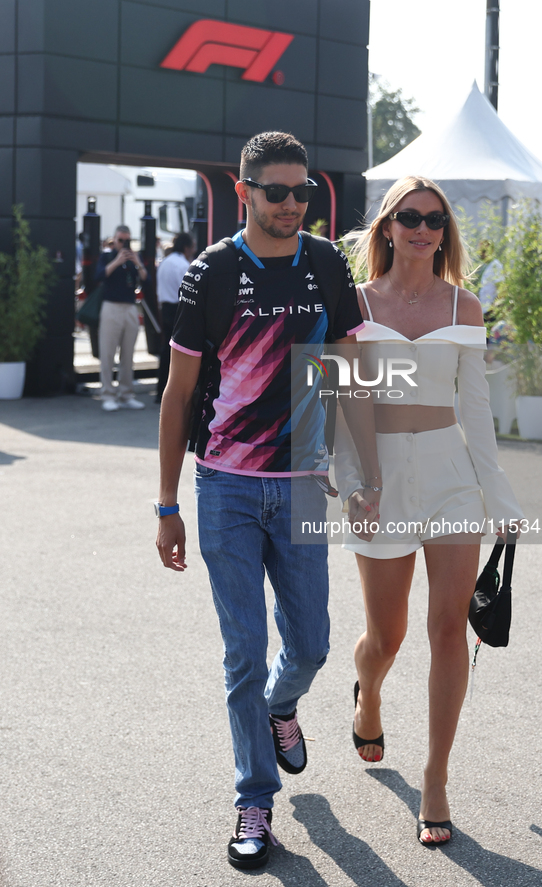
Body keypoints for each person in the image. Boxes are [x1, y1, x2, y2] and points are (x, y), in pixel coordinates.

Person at [156, 132, 379, 870]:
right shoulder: (213, 271)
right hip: (223, 484)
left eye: (302, 191)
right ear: (245, 191)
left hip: (303, 485)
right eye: (276, 191)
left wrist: (365, 474)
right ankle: (254, 799)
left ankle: (283, 707)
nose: (291, 204)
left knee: (311, 644)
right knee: (243, 654)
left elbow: (349, 378)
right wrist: (166, 503)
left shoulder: (325, 264)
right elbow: (179, 391)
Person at [334, 175, 524, 847]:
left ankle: (435, 776)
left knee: (448, 629)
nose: (421, 227)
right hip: (380, 475)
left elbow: (474, 409)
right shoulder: (353, 300)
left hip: (449, 477)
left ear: (444, 231)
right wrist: (355, 480)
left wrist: (499, 497)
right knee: (384, 639)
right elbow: (343, 399)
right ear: (386, 226)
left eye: (434, 219)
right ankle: (370, 695)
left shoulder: (463, 308)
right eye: (409, 216)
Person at [95, 225, 148, 411]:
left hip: (130, 307)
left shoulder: (135, 258)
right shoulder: (107, 256)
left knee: (128, 354)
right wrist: (117, 261)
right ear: (114, 240)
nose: (123, 244)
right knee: (107, 353)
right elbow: (99, 275)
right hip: (111, 307)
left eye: (127, 240)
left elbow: (144, 278)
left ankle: (126, 394)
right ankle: (108, 394)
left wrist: (137, 262)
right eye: (120, 240)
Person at [155, 232, 195, 403]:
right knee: (181, 352)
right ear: (186, 247)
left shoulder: (165, 262)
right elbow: (188, 291)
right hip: (179, 309)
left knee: (165, 351)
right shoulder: (183, 265)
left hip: (165, 309)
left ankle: (160, 391)